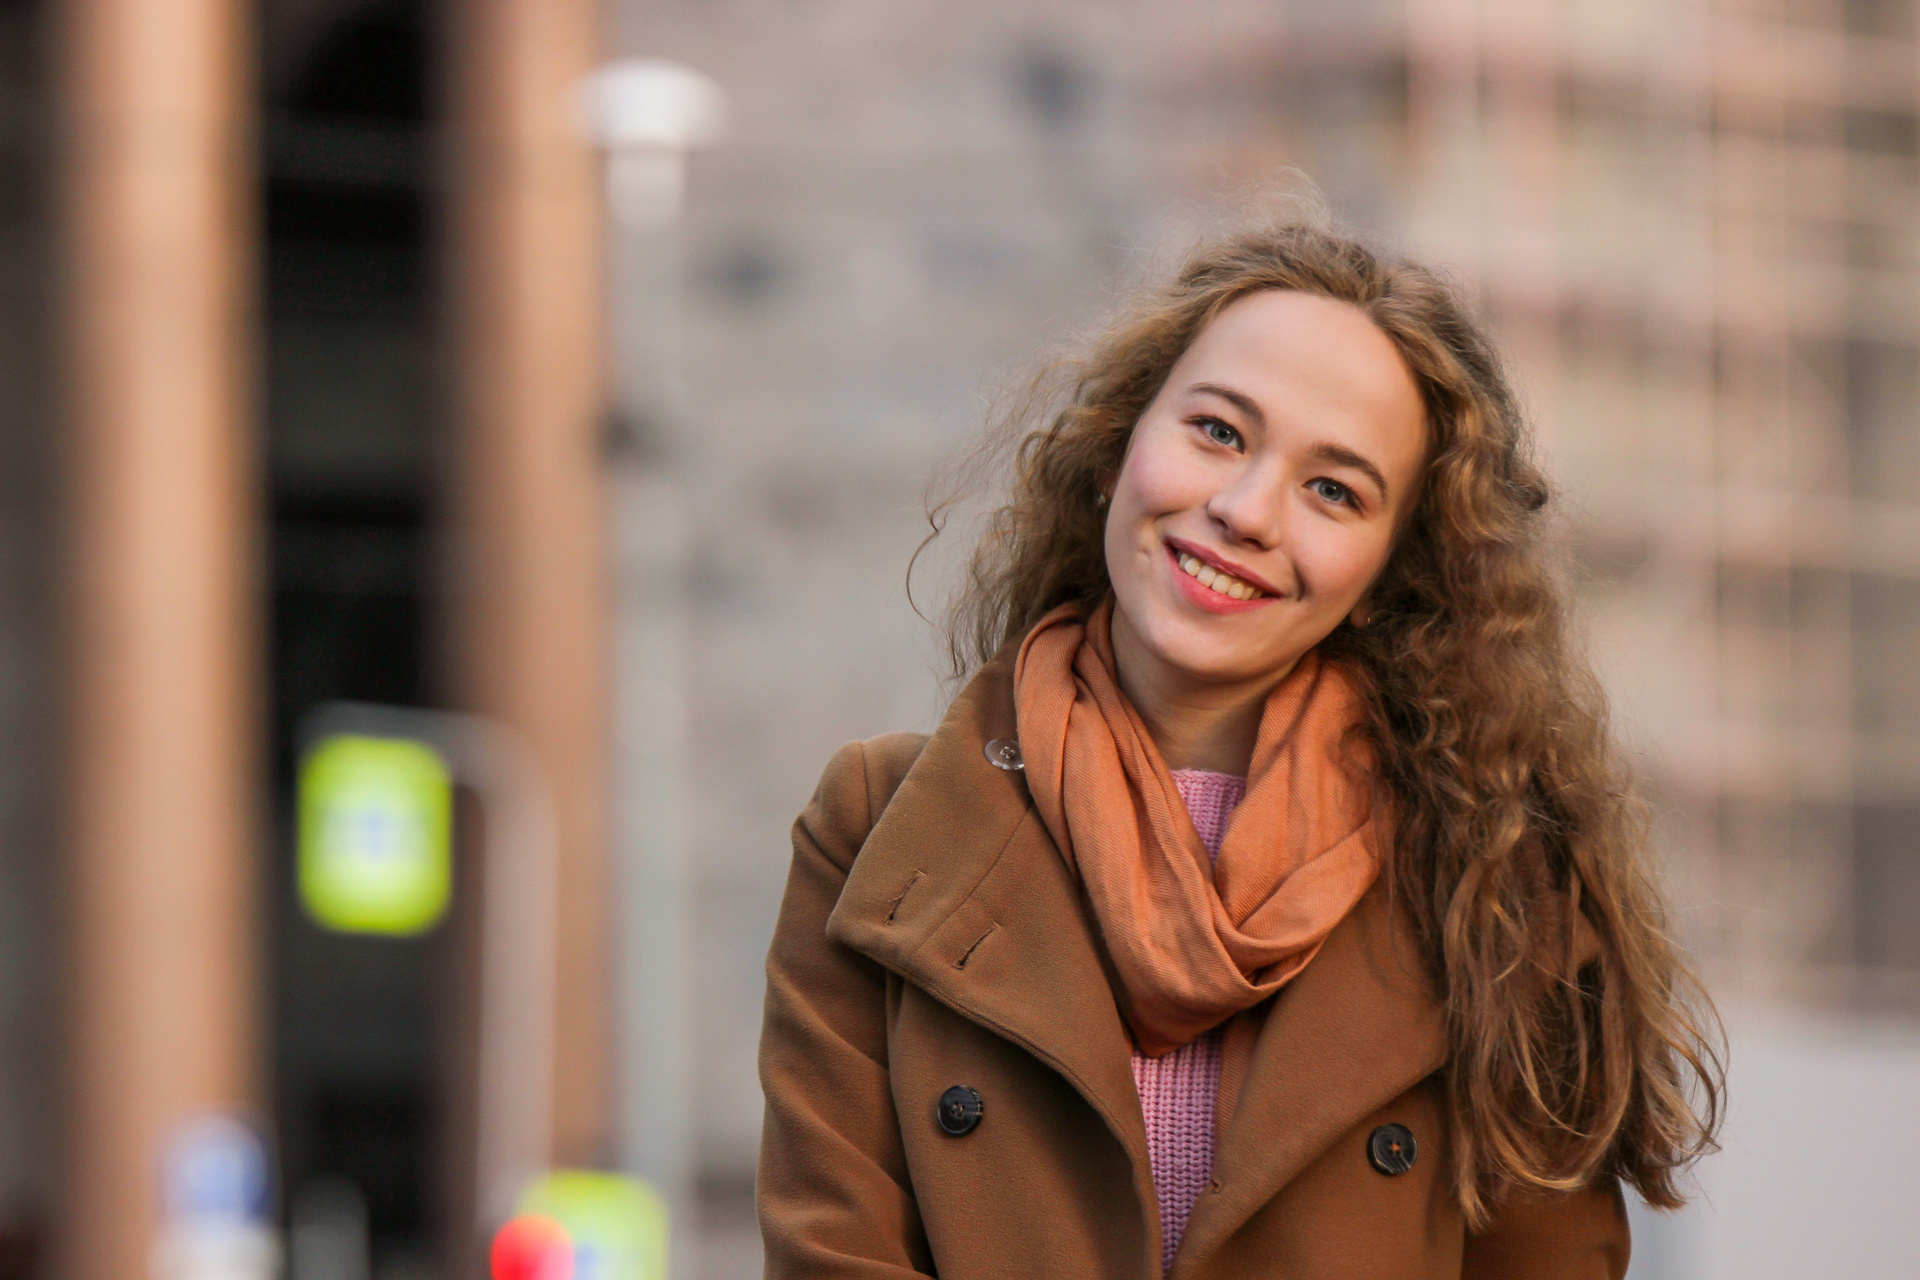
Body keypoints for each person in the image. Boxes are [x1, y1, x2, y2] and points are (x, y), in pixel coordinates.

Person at [755, 222, 1722, 1279]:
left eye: (1334, 490)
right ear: (1117, 443)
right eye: (1218, 431)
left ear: (1392, 575)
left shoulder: (1495, 895)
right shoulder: (879, 825)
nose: (1245, 510)